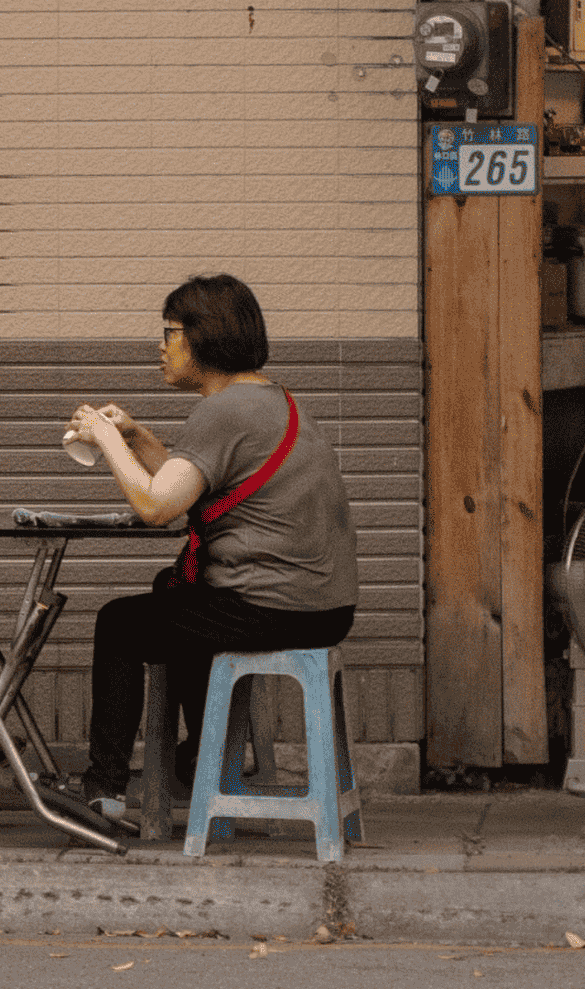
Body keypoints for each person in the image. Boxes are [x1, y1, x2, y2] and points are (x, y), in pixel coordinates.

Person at [64, 273, 358, 816]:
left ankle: (103, 789)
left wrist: (105, 440)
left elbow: (155, 507)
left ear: (206, 337)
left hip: (277, 607)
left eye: (170, 332)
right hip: (325, 608)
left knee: (121, 623)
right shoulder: (272, 401)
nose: (161, 345)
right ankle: (202, 761)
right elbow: (192, 482)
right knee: (172, 594)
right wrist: (137, 437)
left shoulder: (223, 411)